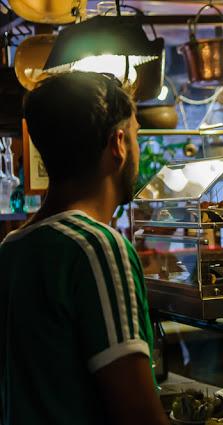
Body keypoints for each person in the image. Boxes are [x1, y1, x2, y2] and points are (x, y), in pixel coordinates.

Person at [0, 72, 169, 425]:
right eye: (137, 134)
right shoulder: (96, 247)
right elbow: (139, 415)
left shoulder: (10, 250)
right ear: (118, 144)